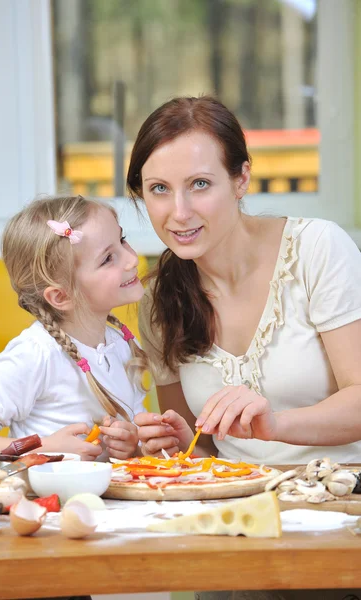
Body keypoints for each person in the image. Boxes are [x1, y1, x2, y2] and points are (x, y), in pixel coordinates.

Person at [127, 96, 361, 600]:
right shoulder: (156, 301)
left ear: (241, 179)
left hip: (339, 505)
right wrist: (180, 439)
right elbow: (203, 448)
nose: (179, 212)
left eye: (201, 185)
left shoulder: (318, 249)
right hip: (235, 514)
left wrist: (273, 424)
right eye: (159, 189)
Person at [0, 195, 147, 461]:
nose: (131, 259)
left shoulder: (123, 345)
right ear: (61, 296)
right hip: (44, 501)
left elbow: (132, 444)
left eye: (122, 239)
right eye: (108, 258)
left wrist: (132, 444)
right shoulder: (36, 354)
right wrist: (42, 447)